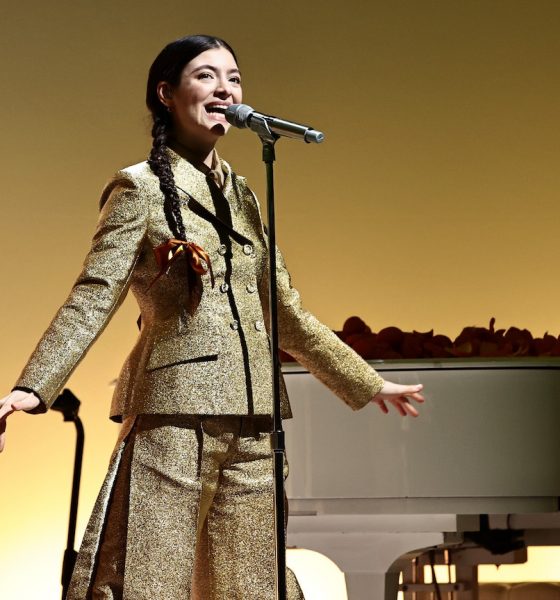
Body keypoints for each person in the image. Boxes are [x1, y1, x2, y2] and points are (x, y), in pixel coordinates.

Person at [0, 35, 424, 599]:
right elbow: (95, 292)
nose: (226, 88)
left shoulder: (244, 194)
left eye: (235, 77)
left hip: (255, 420)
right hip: (174, 417)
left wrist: (364, 381)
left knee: (253, 586)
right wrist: (35, 386)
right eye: (206, 75)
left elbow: (284, 312)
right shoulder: (140, 188)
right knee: (150, 582)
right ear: (166, 94)